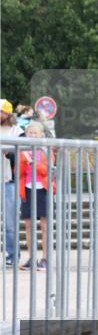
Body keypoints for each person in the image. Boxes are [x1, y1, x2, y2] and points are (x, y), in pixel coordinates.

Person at [17, 122, 53, 270]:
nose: (32, 135)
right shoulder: (23, 150)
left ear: (41, 135)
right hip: (27, 189)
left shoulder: (46, 150)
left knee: (44, 225)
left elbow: (46, 171)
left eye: (35, 132)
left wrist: (32, 162)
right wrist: (24, 159)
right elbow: (18, 171)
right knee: (28, 225)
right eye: (30, 132)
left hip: (42, 189)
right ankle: (32, 257)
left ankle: (45, 258)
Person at [1, 104, 23, 266]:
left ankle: (12, 254)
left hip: (9, 179)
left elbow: (23, 154)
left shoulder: (17, 131)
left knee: (10, 221)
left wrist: (11, 153)